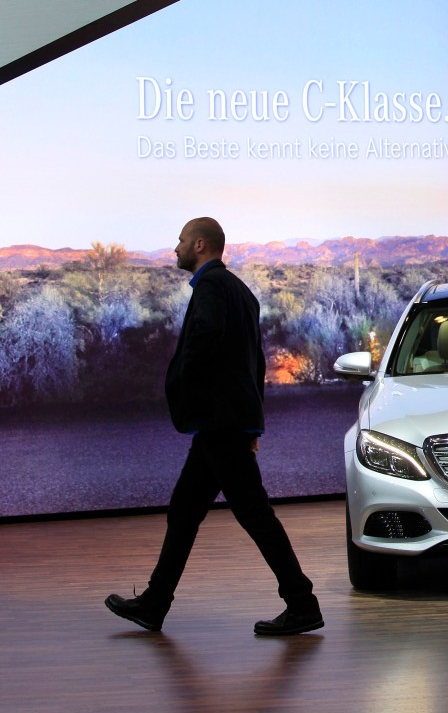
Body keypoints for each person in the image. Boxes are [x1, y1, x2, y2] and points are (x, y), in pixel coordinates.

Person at [105, 217, 322, 635]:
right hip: (227, 423)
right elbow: (253, 363)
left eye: (181, 241)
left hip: (219, 424)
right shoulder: (240, 291)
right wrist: (252, 422)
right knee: (185, 512)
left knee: (253, 514)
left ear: (200, 245)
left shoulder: (211, 287)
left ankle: (302, 603)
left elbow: (202, 345)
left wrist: (187, 391)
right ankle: (154, 603)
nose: (176, 248)